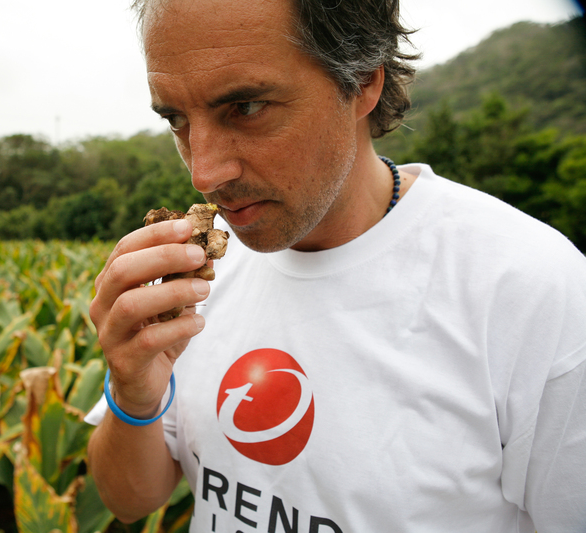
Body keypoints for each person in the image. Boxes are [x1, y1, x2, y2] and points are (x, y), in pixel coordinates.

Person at [85, 0, 586, 531]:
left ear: (363, 84)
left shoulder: (535, 290)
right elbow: (130, 500)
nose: (203, 173)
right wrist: (132, 393)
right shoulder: (193, 277)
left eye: (247, 107)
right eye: (177, 119)